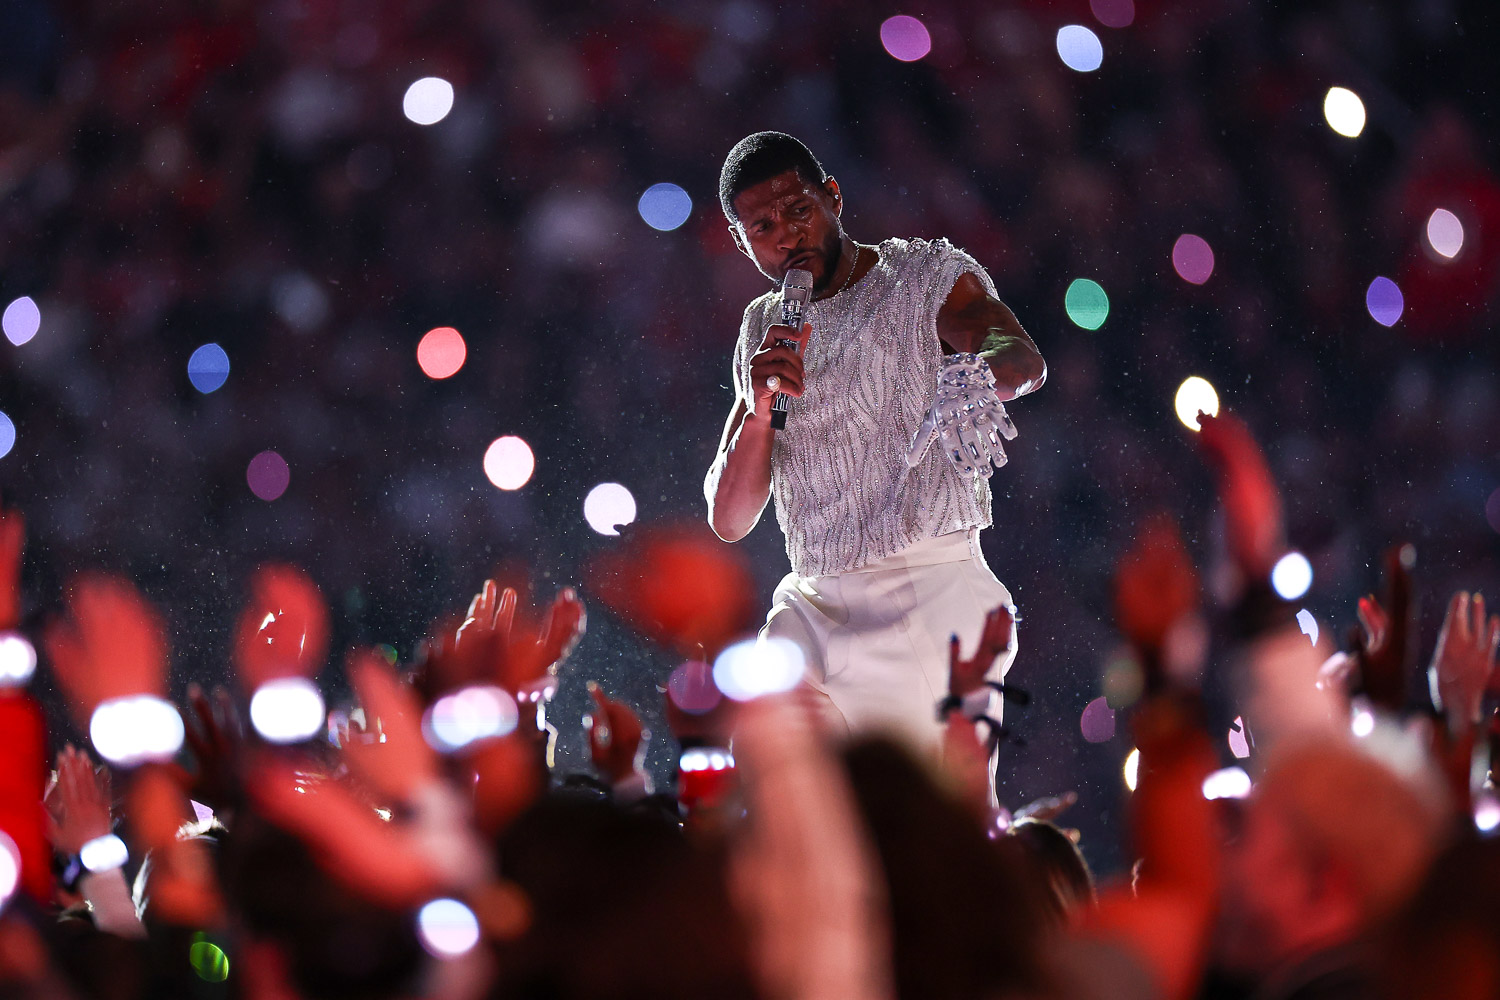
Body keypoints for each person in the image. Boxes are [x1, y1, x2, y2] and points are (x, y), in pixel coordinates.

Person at [703, 131, 1047, 757]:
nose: (787, 235)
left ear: (833, 197)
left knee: (928, 816)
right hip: (811, 602)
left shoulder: (920, 277)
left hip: (923, 591)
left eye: (798, 209)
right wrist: (757, 415)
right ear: (741, 241)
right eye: (763, 227)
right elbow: (729, 519)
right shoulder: (762, 327)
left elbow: (1018, 355)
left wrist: (977, 373)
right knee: (765, 772)